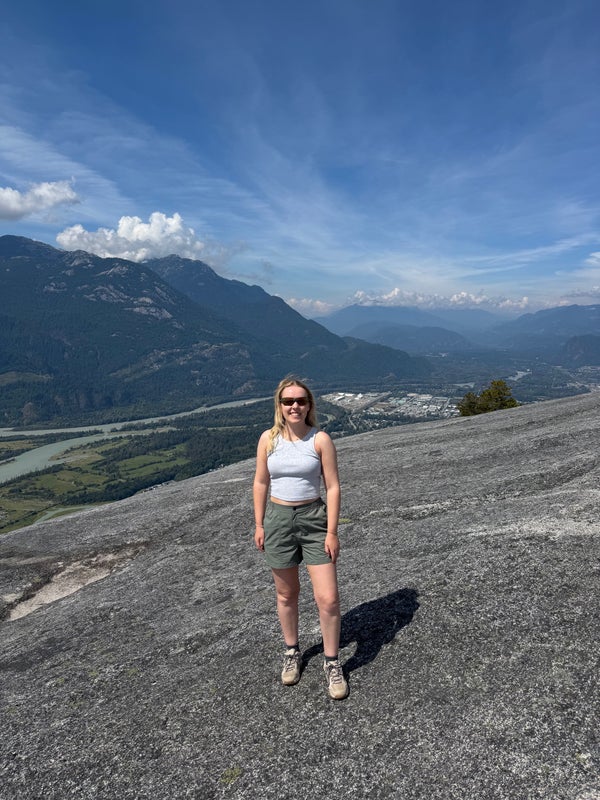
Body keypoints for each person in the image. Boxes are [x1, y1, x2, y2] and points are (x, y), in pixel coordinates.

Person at [253, 376, 348, 700]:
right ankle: (292, 651)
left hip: (314, 520)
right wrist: (259, 524)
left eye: (300, 401)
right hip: (278, 519)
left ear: (309, 406)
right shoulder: (268, 439)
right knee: (286, 594)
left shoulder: (320, 440)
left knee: (328, 598)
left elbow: (333, 486)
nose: (294, 406)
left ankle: (331, 661)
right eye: (288, 401)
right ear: (279, 405)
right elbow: (261, 482)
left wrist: (332, 531)